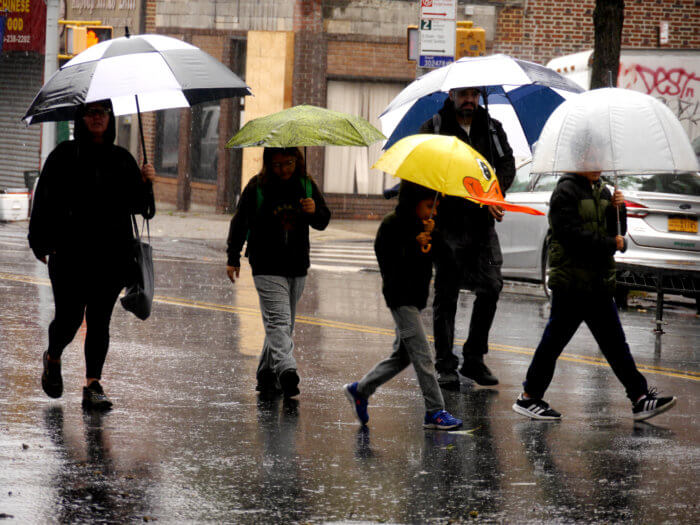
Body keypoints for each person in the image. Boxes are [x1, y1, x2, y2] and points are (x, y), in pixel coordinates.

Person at [512, 169, 677, 421]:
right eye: (592, 156)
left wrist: (618, 210)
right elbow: (570, 236)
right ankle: (529, 397)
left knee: (615, 344)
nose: (597, 165)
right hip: (572, 282)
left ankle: (640, 397)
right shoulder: (565, 191)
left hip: (598, 281)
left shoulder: (604, 191)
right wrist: (611, 244)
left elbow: (616, 232)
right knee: (554, 342)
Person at [28, 100, 156, 410]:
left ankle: (93, 384)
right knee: (70, 319)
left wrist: (147, 182)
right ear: (81, 118)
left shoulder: (122, 159)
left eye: (103, 112)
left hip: (111, 256)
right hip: (70, 255)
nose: (98, 117)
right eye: (91, 112)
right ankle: (53, 356)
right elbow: (43, 201)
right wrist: (39, 242)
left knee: (99, 321)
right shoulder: (63, 156)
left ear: (110, 118)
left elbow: (144, 210)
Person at [343, 181, 463, 430]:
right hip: (400, 299)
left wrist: (433, 237)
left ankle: (360, 389)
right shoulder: (391, 225)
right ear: (413, 202)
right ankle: (434, 411)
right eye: (429, 206)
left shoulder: (428, 226)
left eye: (436, 207)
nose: (434, 212)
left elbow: (448, 262)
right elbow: (389, 264)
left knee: (403, 356)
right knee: (422, 355)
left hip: (417, 299)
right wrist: (413, 244)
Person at [419, 87, 515, 389]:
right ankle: (445, 364)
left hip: (482, 224)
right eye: (463, 94)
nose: (469, 100)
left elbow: (507, 164)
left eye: (474, 94)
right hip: (447, 226)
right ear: (452, 95)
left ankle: (474, 358)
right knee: (446, 296)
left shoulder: (492, 128)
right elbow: (422, 172)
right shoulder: (434, 127)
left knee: (491, 286)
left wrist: (495, 194)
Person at [226, 147, 330, 398]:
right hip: (266, 264)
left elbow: (323, 221)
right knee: (279, 322)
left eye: (289, 163)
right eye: (277, 164)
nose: (283, 169)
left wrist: (313, 210)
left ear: (298, 160)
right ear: (268, 164)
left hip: (297, 266)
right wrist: (233, 257)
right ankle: (286, 370)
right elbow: (240, 222)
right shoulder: (257, 187)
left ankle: (265, 373)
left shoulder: (306, 186)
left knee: (283, 325)